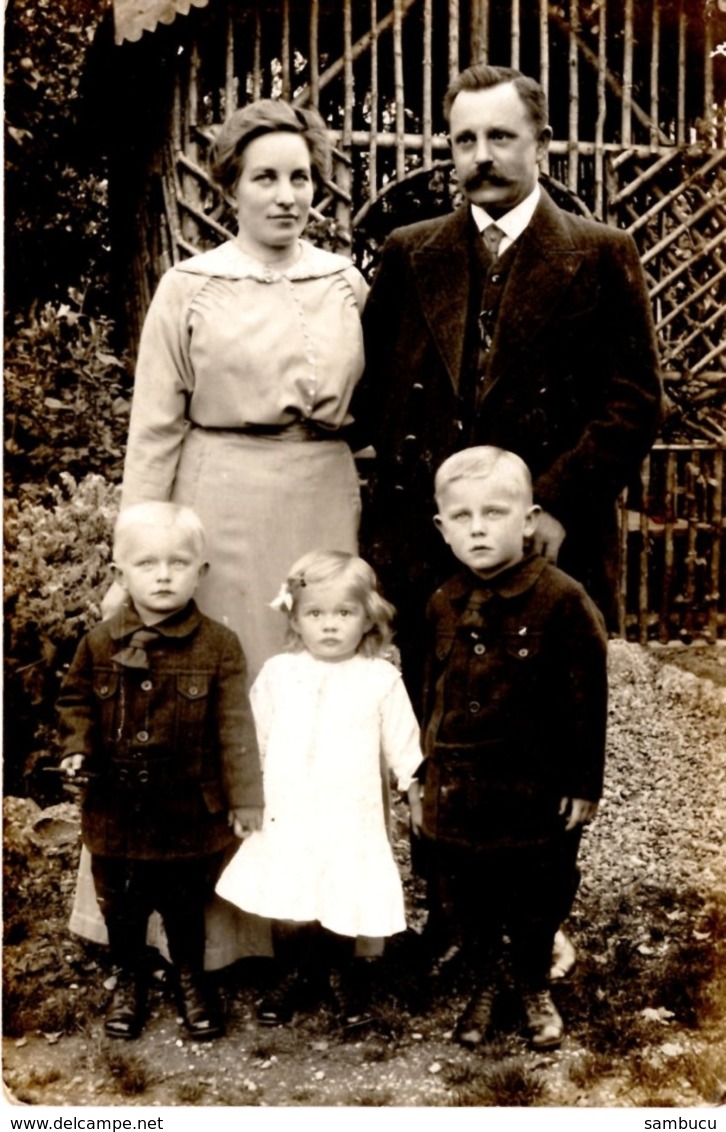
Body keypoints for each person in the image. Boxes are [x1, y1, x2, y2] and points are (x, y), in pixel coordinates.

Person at [71, 98, 369, 967]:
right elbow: (154, 428)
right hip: (220, 497)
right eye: (265, 178)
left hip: (323, 497)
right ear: (230, 187)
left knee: (316, 695)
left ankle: (312, 924)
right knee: (214, 703)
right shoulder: (190, 286)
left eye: (301, 178)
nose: (286, 196)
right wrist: (137, 549)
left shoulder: (346, 282)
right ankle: (192, 927)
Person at [357, 63, 662, 698]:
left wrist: (549, 506)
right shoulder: (408, 254)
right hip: (430, 545)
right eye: (465, 140)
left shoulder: (603, 253)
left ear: (541, 144)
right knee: (432, 726)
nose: (481, 156)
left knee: (547, 731)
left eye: (501, 137)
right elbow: (376, 393)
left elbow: (634, 403)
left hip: (553, 540)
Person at [417, 447, 607, 1049]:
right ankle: (485, 982)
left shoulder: (563, 600)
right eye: (463, 516)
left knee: (538, 891)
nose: (478, 528)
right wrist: (427, 774)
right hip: (461, 786)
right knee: (463, 892)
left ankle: (530, 985)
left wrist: (583, 782)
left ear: (528, 520)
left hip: (535, 789)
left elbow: (587, 700)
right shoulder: (441, 601)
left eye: (495, 513)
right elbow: (432, 696)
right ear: (442, 529)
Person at [56, 503, 263, 1041]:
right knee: (121, 903)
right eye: (148, 564)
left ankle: (190, 975)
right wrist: (76, 749)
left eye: (179, 563)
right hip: (116, 809)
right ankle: (129, 976)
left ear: (202, 573)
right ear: (121, 575)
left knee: (185, 902)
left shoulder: (219, 645)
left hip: (187, 810)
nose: (165, 575)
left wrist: (245, 800)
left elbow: (235, 727)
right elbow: (75, 701)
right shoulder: (99, 642)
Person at [215, 550, 424, 1024]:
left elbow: (404, 744)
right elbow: (255, 739)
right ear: (296, 618)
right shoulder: (279, 674)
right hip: (288, 808)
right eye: (315, 614)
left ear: (367, 619)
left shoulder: (380, 679)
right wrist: (246, 797)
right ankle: (293, 975)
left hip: (349, 813)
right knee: (289, 893)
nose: (329, 626)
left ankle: (340, 975)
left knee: (342, 890)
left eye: (344, 614)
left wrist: (415, 789)